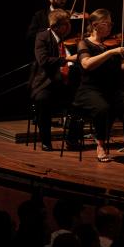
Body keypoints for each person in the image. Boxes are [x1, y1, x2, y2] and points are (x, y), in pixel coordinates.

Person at [73, 8, 124, 161]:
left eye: (111, 24)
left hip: (111, 90)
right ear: (95, 25)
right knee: (102, 108)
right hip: (89, 90)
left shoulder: (112, 44)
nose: (110, 27)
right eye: (107, 24)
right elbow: (86, 64)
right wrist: (109, 53)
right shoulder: (84, 43)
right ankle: (100, 144)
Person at [29, 9, 77, 151]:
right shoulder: (42, 37)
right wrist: (66, 59)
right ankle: (46, 141)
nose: (69, 27)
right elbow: (43, 60)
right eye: (65, 24)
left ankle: (72, 139)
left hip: (65, 82)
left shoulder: (68, 38)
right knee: (43, 101)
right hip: (46, 83)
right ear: (56, 26)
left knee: (80, 102)